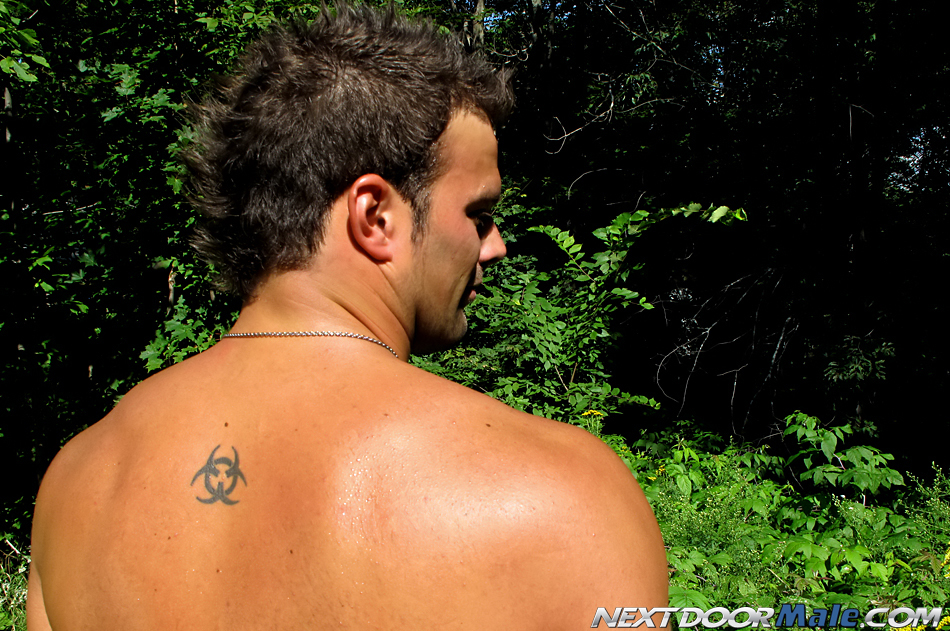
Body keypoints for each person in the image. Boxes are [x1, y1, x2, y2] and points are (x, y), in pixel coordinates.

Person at [28, 4, 668, 629]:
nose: (495, 245)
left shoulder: (76, 485)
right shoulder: (560, 498)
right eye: (478, 215)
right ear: (375, 216)